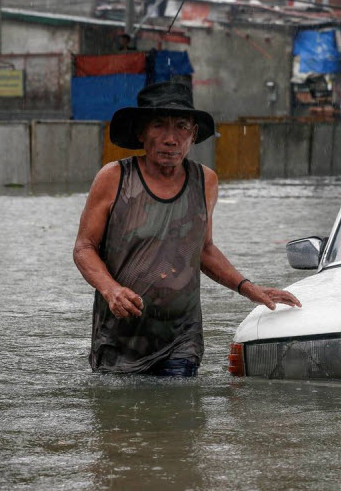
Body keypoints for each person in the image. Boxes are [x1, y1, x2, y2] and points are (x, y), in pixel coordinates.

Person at [73, 81, 301, 377]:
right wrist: (111, 289)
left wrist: (248, 288)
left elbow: (202, 249)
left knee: (180, 413)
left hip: (182, 337)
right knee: (123, 419)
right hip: (121, 338)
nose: (171, 138)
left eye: (182, 127)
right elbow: (84, 248)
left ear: (193, 135)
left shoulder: (205, 181)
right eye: (159, 126)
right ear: (141, 132)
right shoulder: (114, 178)